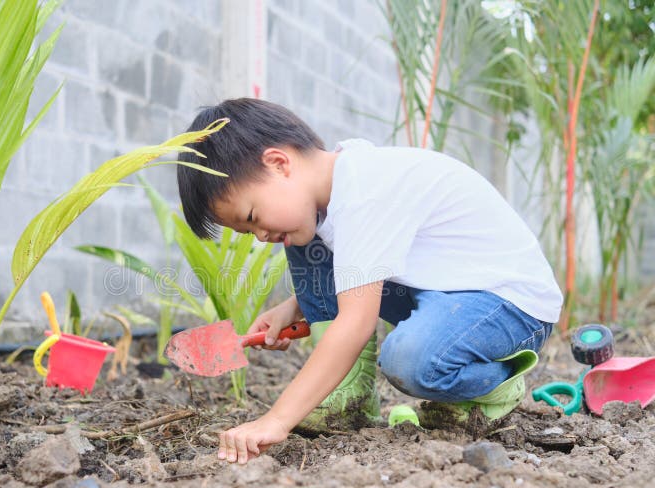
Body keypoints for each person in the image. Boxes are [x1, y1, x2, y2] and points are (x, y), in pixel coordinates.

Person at [176, 98, 562, 465]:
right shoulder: (333, 190)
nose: (260, 235)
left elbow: (355, 324)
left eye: (253, 215)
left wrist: (276, 420)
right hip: (445, 291)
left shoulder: (365, 193)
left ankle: (495, 384)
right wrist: (295, 305)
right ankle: (350, 394)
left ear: (279, 163)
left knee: (411, 361)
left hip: (508, 304)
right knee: (302, 236)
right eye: (248, 231)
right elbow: (358, 263)